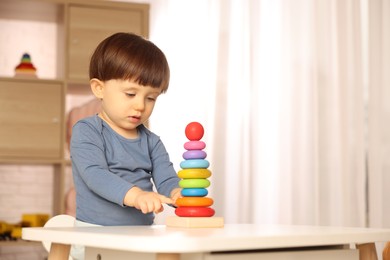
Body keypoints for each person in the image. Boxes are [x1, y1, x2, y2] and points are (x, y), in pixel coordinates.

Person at [70, 32, 182, 227]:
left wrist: (177, 193)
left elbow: (166, 179)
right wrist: (136, 196)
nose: (140, 105)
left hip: (140, 234)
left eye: (151, 98)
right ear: (99, 88)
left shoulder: (152, 142)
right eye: (131, 94)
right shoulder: (87, 131)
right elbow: (96, 175)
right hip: (94, 233)